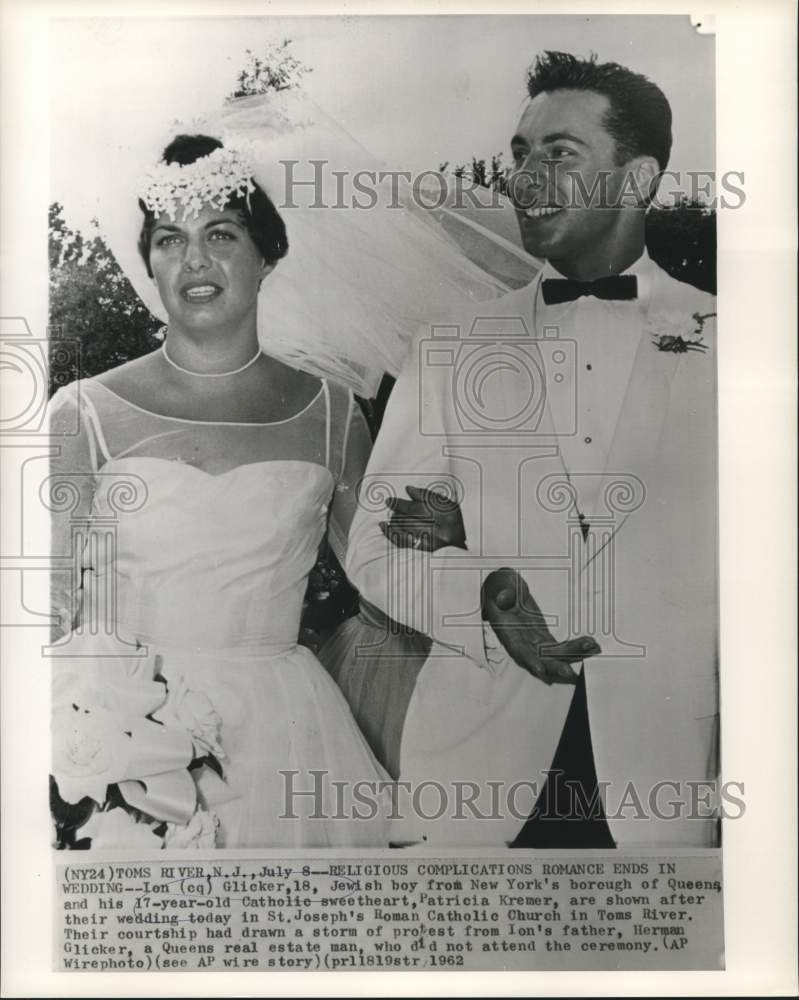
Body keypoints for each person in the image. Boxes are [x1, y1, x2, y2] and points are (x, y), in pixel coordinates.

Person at [322, 51, 719, 848]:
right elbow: (371, 541)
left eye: (558, 154)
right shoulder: (448, 346)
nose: (524, 179)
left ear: (636, 179)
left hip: (667, 770)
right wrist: (482, 591)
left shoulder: (735, 341)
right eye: (518, 155)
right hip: (474, 770)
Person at [48, 134, 391, 849]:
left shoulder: (331, 412)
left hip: (287, 738)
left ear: (267, 255)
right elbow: (44, 612)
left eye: (221, 234)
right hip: (123, 725)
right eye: (170, 239)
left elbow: (383, 579)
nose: (194, 260)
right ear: (149, 262)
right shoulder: (82, 414)